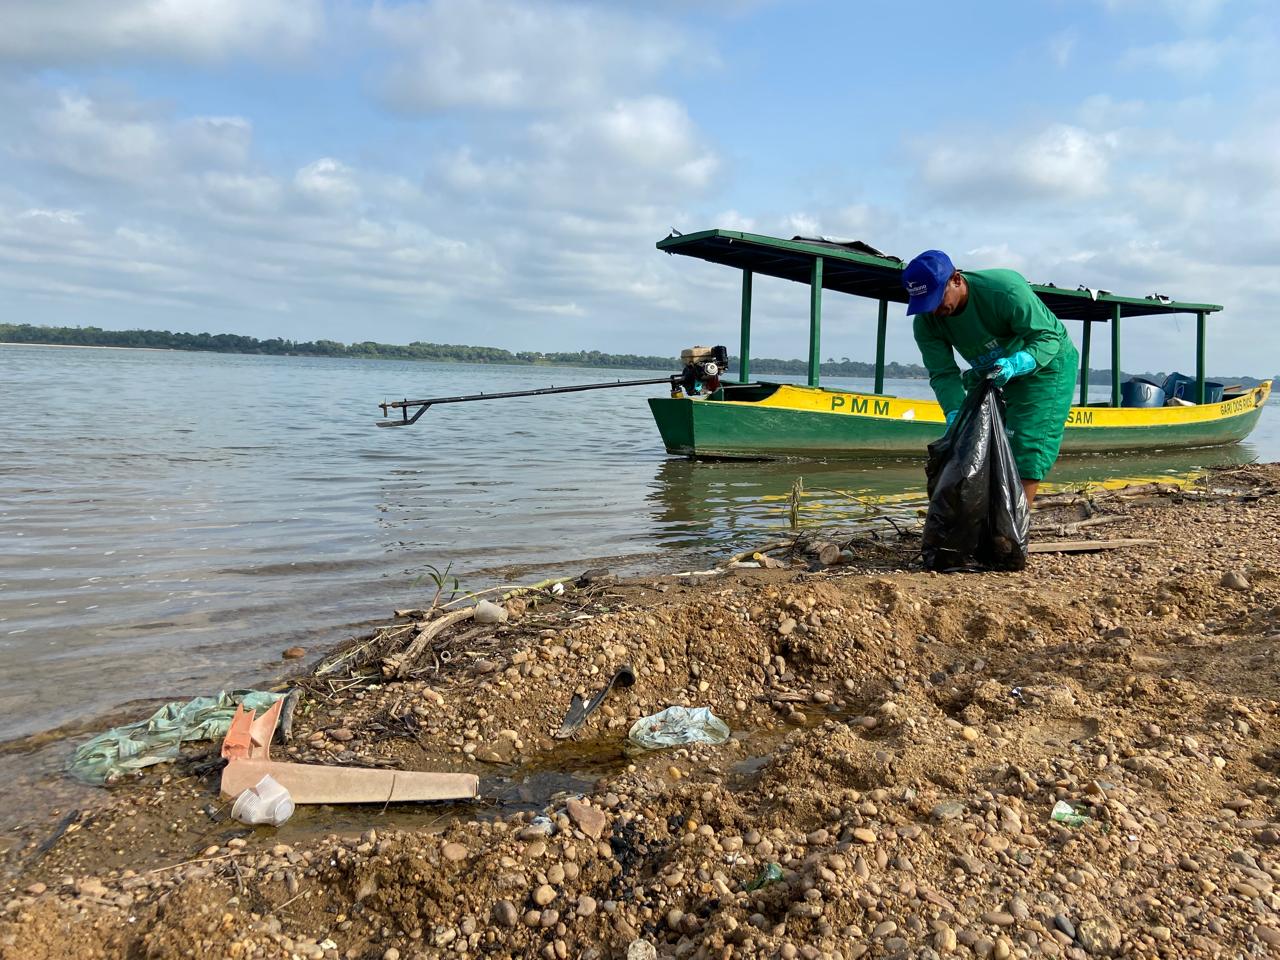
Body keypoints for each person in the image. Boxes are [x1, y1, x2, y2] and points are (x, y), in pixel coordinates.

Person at [903, 249, 1078, 504]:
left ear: (956, 279)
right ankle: (984, 517)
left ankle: (1013, 529)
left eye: (937, 298)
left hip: (1046, 364)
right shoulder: (926, 322)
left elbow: (1047, 338)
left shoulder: (1005, 289)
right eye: (925, 304)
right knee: (981, 444)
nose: (934, 310)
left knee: (1026, 445)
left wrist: (1019, 362)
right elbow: (943, 374)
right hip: (991, 372)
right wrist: (954, 411)